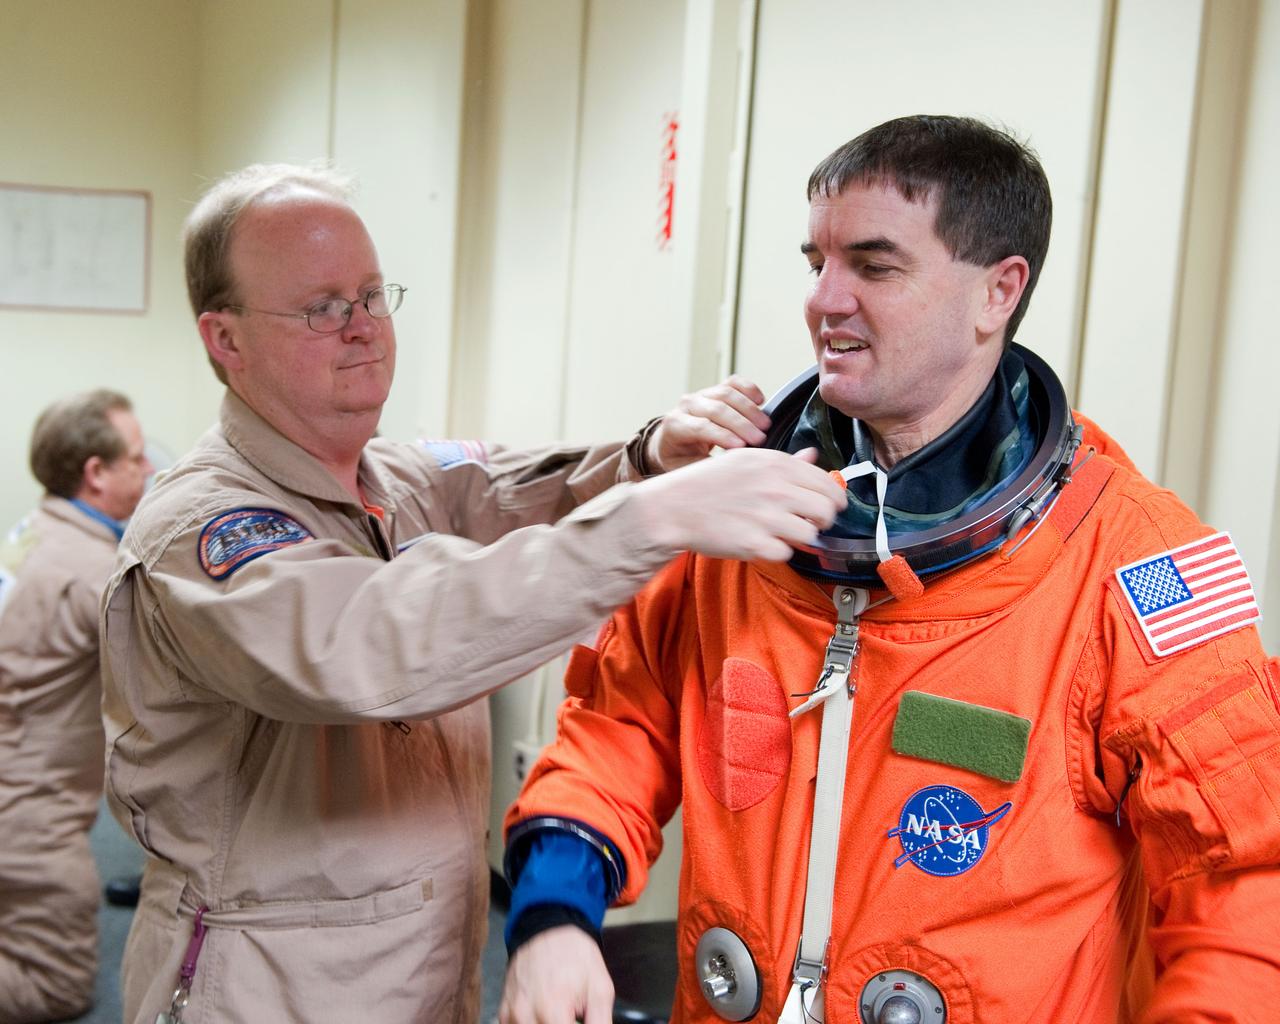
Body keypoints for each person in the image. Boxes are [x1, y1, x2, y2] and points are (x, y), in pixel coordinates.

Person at [500, 115, 1280, 1024]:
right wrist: (552, 915)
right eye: (816, 262)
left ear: (998, 292)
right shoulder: (733, 509)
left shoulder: (1130, 561)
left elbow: (1245, 878)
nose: (824, 301)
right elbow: (616, 727)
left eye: (873, 266)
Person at [98, 162, 845, 1024]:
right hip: (271, 985)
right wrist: (654, 518)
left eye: (372, 296)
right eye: (323, 308)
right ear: (225, 339)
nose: (364, 328)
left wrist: (649, 456)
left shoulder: (390, 476)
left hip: (427, 965)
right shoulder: (203, 528)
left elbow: (513, 487)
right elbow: (371, 641)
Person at [0, 389, 153, 1023]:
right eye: (137, 459)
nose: (149, 470)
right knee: (54, 985)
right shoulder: (94, 571)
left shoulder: (36, 531)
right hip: (25, 811)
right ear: (96, 473)